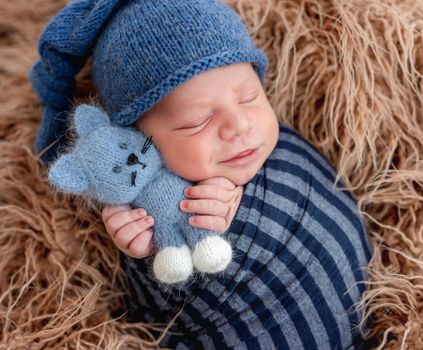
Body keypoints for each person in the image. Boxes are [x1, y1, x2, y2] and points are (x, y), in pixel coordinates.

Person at [30, 0, 372, 348]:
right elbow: (159, 309)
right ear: (135, 136)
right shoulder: (155, 202)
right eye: (199, 121)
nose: (239, 124)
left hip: (374, 301)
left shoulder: (272, 140)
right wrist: (144, 250)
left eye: (249, 96)